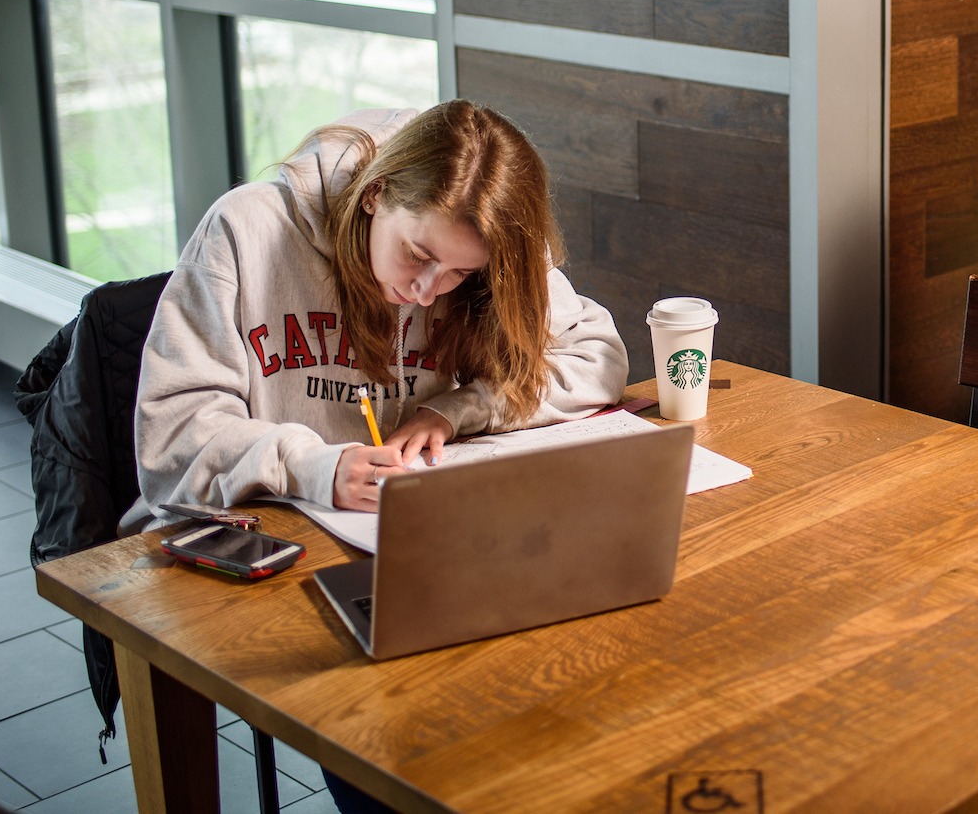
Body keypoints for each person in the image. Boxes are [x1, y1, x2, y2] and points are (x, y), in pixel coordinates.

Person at [122, 100, 630, 531]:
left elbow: (597, 357)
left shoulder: (488, 237)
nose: (428, 293)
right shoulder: (242, 231)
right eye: (419, 254)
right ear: (375, 193)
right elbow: (175, 436)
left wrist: (457, 409)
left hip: (403, 533)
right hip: (251, 537)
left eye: (458, 273)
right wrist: (312, 466)